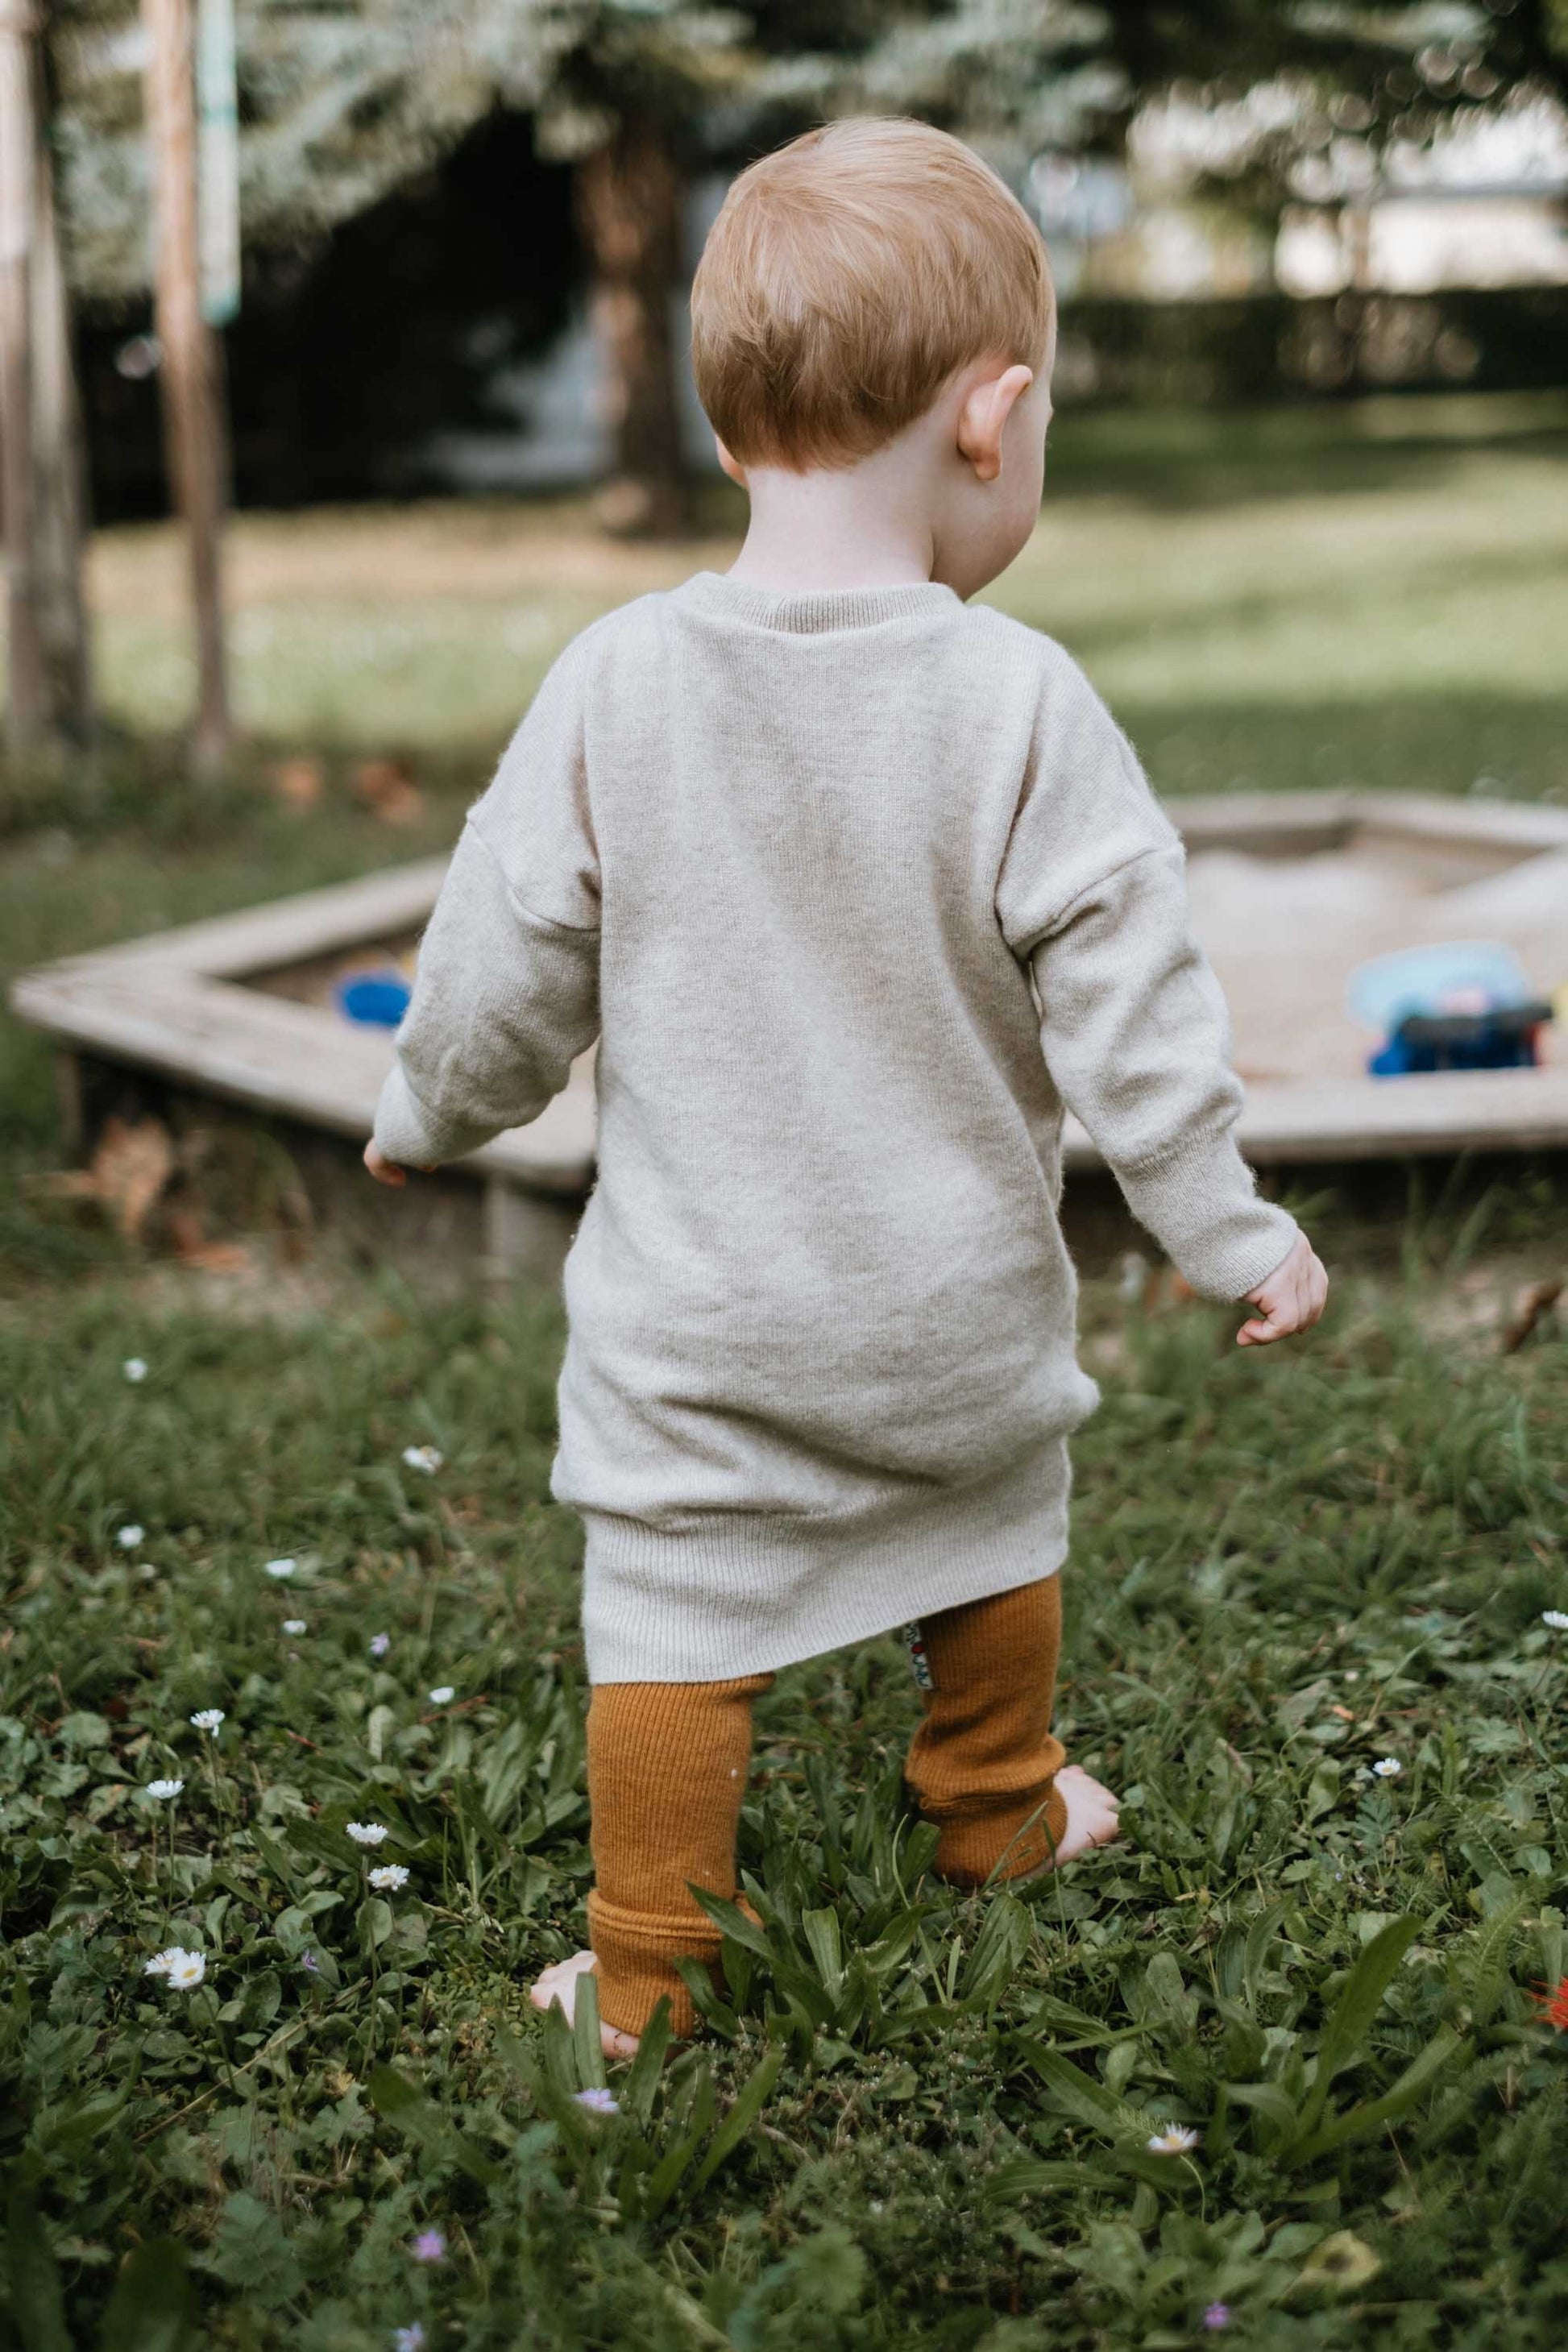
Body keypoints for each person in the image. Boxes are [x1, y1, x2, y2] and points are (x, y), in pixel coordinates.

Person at [365, 116, 1329, 2057]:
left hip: (702, 1335)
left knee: (670, 1608)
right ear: (996, 418)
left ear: (730, 430)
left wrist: (427, 1114)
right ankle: (992, 1807)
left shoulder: (617, 680)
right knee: (995, 1514)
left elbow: (498, 960)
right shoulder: (1019, 700)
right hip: (952, 1315)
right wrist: (1231, 1224)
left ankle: (645, 1974)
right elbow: (1137, 1020)